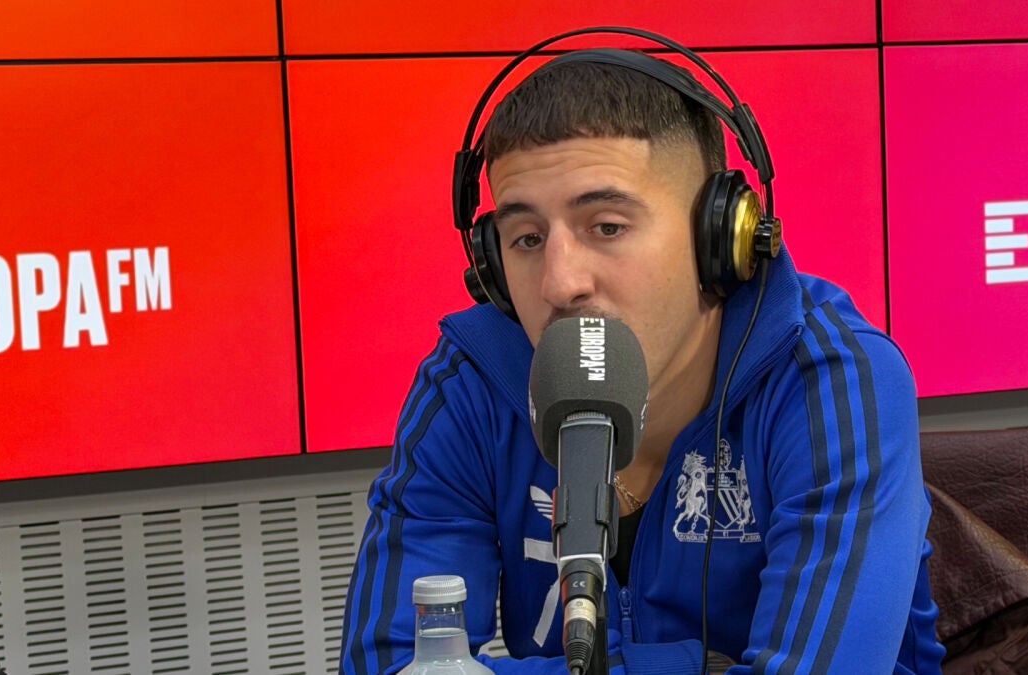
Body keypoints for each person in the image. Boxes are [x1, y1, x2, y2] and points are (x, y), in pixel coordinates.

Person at [341, 29, 945, 675]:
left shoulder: (832, 380)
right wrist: (694, 666)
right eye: (526, 238)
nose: (560, 283)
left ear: (719, 240)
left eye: (607, 226)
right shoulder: (473, 384)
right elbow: (391, 663)